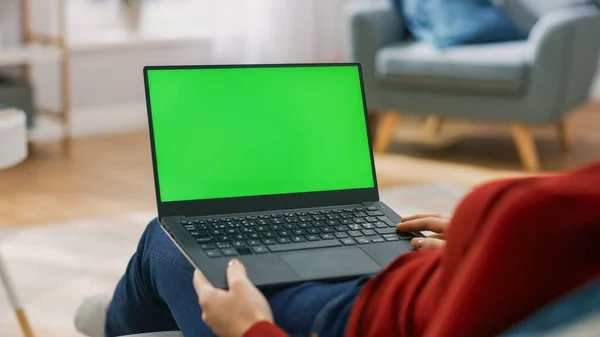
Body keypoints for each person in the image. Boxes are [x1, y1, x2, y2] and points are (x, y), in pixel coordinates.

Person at [94, 162, 600, 337]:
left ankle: (121, 325)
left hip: (347, 320)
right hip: (419, 276)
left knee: (166, 236)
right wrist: (477, 248)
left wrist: (253, 330)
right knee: (279, 251)